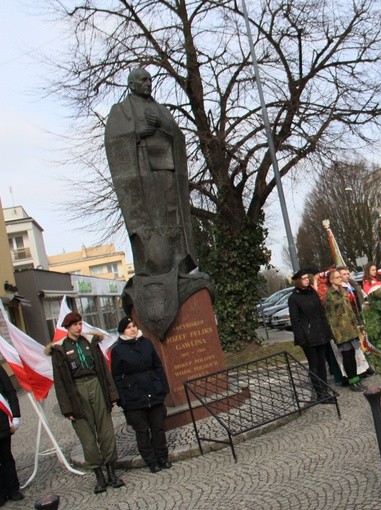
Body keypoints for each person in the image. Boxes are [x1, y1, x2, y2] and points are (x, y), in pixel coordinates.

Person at [105, 67, 212, 340]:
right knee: (154, 229)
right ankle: (157, 270)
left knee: (172, 221)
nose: (148, 84)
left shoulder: (160, 109)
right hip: (142, 176)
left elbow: (178, 136)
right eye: (142, 80)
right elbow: (114, 144)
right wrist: (139, 132)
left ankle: (176, 267)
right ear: (131, 84)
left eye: (150, 79)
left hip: (166, 172)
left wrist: (163, 127)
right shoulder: (122, 111)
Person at [46, 312, 125, 493]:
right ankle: (99, 476)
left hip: (95, 384)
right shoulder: (61, 349)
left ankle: (112, 472)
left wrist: (111, 395)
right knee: (86, 436)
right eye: (74, 325)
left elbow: (103, 369)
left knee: (106, 430)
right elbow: (59, 382)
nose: (79, 327)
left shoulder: (90, 342)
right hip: (76, 390)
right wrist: (67, 409)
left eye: (80, 324)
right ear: (67, 327)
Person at [110, 317, 171, 473]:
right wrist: (122, 399)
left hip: (153, 391)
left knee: (158, 428)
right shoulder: (118, 350)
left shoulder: (146, 343)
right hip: (134, 396)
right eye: (128, 327)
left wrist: (163, 387)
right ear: (122, 331)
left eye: (134, 326)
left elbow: (157, 366)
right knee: (142, 430)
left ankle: (163, 457)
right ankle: (151, 461)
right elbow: (116, 376)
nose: (132, 329)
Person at [288, 269, 334, 403]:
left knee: (322, 364)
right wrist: (302, 338)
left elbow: (321, 313)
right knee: (314, 365)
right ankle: (319, 394)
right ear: (298, 281)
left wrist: (326, 331)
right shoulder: (294, 298)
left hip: (320, 334)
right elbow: (295, 321)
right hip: (308, 338)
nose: (307, 279)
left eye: (307, 277)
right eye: (303, 278)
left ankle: (325, 390)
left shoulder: (312, 292)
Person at [323, 269, 366, 392]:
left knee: (353, 355)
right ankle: (352, 381)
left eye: (339, 277)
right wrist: (336, 335)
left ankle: (357, 379)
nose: (340, 279)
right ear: (331, 280)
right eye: (337, 277)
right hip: (341, 332)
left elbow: (350, 310)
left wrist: (356, 324)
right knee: (347, 356)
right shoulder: (329, 295)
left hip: (350, 329)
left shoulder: (343, 291)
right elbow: (330, 317)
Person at [0, 368, 23, 505]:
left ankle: (13, 489)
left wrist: (16, 416)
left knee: (6, 456)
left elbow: (10, 391)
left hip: (2, 423)